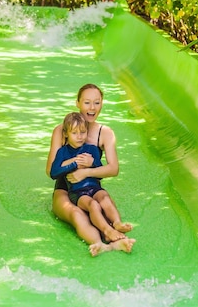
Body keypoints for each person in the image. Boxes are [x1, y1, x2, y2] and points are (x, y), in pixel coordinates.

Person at [46, 83, 135, 256]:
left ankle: (117, 240)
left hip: (91, 187)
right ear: (78, 103)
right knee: (77, 214)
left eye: (97, 102)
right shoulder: (62, 130)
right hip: (65, 189)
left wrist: (86, 171)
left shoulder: (105, 133)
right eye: (87, 102)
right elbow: (50, 169)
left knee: (101, 205)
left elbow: (113, 169)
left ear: (102, 103)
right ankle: (98, 244)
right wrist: (74, 165)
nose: (92, 108)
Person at [50, 112, 132, 240]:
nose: (79, 137)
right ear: (66, 134)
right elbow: (53, 173)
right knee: (93, 205)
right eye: (74, 133)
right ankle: (107, 230)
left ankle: (117, 223)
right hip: (77, 192)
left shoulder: (92, 149)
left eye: (82, 132)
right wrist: (74, 164)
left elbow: (99, 173)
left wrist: (92, 163)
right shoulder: (63, 152)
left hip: (94, 187)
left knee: (104, 197)